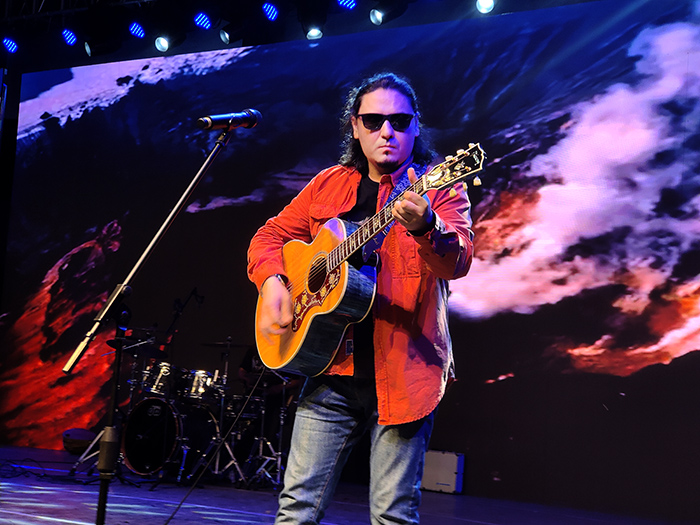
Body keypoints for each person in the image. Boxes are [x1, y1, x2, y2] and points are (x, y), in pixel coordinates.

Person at [247, 72, 474, 525]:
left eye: (399, 121)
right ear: (355, 126)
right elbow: (269, 237)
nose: (386, 131)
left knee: (392, 516)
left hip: (405, 373)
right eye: (373, 121)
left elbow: (458, 261)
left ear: (415, 126)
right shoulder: (328, 185)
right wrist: (272, 281)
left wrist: (427, 226)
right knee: (295, 512)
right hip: (329, 369)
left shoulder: (439, 187)